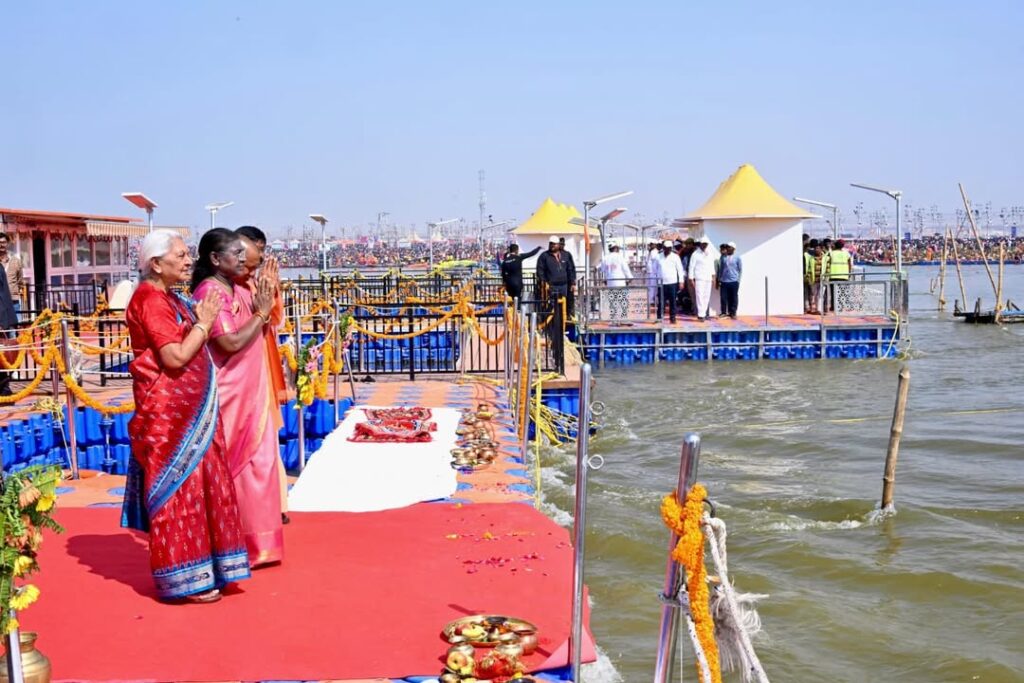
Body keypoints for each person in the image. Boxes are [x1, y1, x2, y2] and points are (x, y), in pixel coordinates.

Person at [122, 229, 251, 603]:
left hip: (193, 413)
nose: (186, 260)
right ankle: (184, 578)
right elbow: (175, 357)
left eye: (186, 254)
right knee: (181, 494)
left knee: (204, 488)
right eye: (179, 256)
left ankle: (211, 565)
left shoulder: (168, 298)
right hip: (170, 418)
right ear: (156, 263)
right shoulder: (149, 300)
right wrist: (204, 323)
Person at [192, 228, 284, 567]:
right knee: (240, 469)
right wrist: (259, 312)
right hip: (232, 394)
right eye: (240, 256)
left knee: (259, 466)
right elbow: (228, 343)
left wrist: (266, 296)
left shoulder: (235, 287)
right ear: (216, 259)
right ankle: (234, 544)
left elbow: (267, 318)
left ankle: (258, 545)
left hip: (251, 393)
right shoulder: (211, 290)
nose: (246, 263)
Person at [235, 227, 291, 525]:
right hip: (236, 378)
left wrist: (270, 294)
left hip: (258, 371)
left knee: (265, 439)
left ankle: (274, 503)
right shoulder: (222, 289)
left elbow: (272, 320)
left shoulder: (252, 285)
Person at [536, 236, 571, 374]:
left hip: (563, 286)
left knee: (563, 308)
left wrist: (572, 282)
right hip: (551, 287)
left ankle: (562, 328)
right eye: (550, 244)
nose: (552, 246)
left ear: (558, 245)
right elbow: (540, 271)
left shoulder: (566, 256)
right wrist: (545, 283)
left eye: (554, 244)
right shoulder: (544, 257)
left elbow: (570, 269)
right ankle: (551, 330)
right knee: (550, 309)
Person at [688, 236, 716, 321]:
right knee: (699, 296)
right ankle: (700, 315)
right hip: (699, 277)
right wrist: (691, 278)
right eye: (703, 244)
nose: (704, 245)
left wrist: (713, 277)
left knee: (706, 296)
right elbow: (691, 267)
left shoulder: (709, 253)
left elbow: (712, 266)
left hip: (708, 277)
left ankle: (703, 313)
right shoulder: (695, 254)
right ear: (700, 244)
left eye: (706, 244)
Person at [658, 240, 685, 324]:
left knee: (673, 301)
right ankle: (659, 317)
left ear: (671, 248)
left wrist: (681, 282)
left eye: (669, 248)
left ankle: (672, 318)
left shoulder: (675, 257)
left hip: (672, 282)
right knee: (661, 301)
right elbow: (655, 269)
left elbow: (680, 270)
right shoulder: (658, 256)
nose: (667, 250)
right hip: (661, 283)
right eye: (666, 248)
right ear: (663, 248)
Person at [717, 242, 742, 318]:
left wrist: (738, 280)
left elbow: (740, 269)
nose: (728, 248)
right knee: (723, 297)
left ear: (733, 249)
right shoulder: (723, 257)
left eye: (730, 247)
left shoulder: (737, 258)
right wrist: (719, 279)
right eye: (727, 247)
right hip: (724, 281)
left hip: (734, 281)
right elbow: (721, 268)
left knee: (733, 297)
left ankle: (733, 312)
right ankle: (723, 312)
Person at [826, 239, 852, 312]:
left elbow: (828, 263)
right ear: (842, 246)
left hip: (833, 275)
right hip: (844, 276)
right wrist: (849, 273)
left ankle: (833, 307)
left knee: (833, 292)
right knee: (842, 292)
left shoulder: (831, 253)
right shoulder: (846, 253)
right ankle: (840, 306)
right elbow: (850, 264)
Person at [0, 234, 23, 316]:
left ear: (7, 244)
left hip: (13, 301)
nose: (1, 245)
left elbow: (20, 280)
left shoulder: (15, 261)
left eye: (3, 242)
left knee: (14, 327)